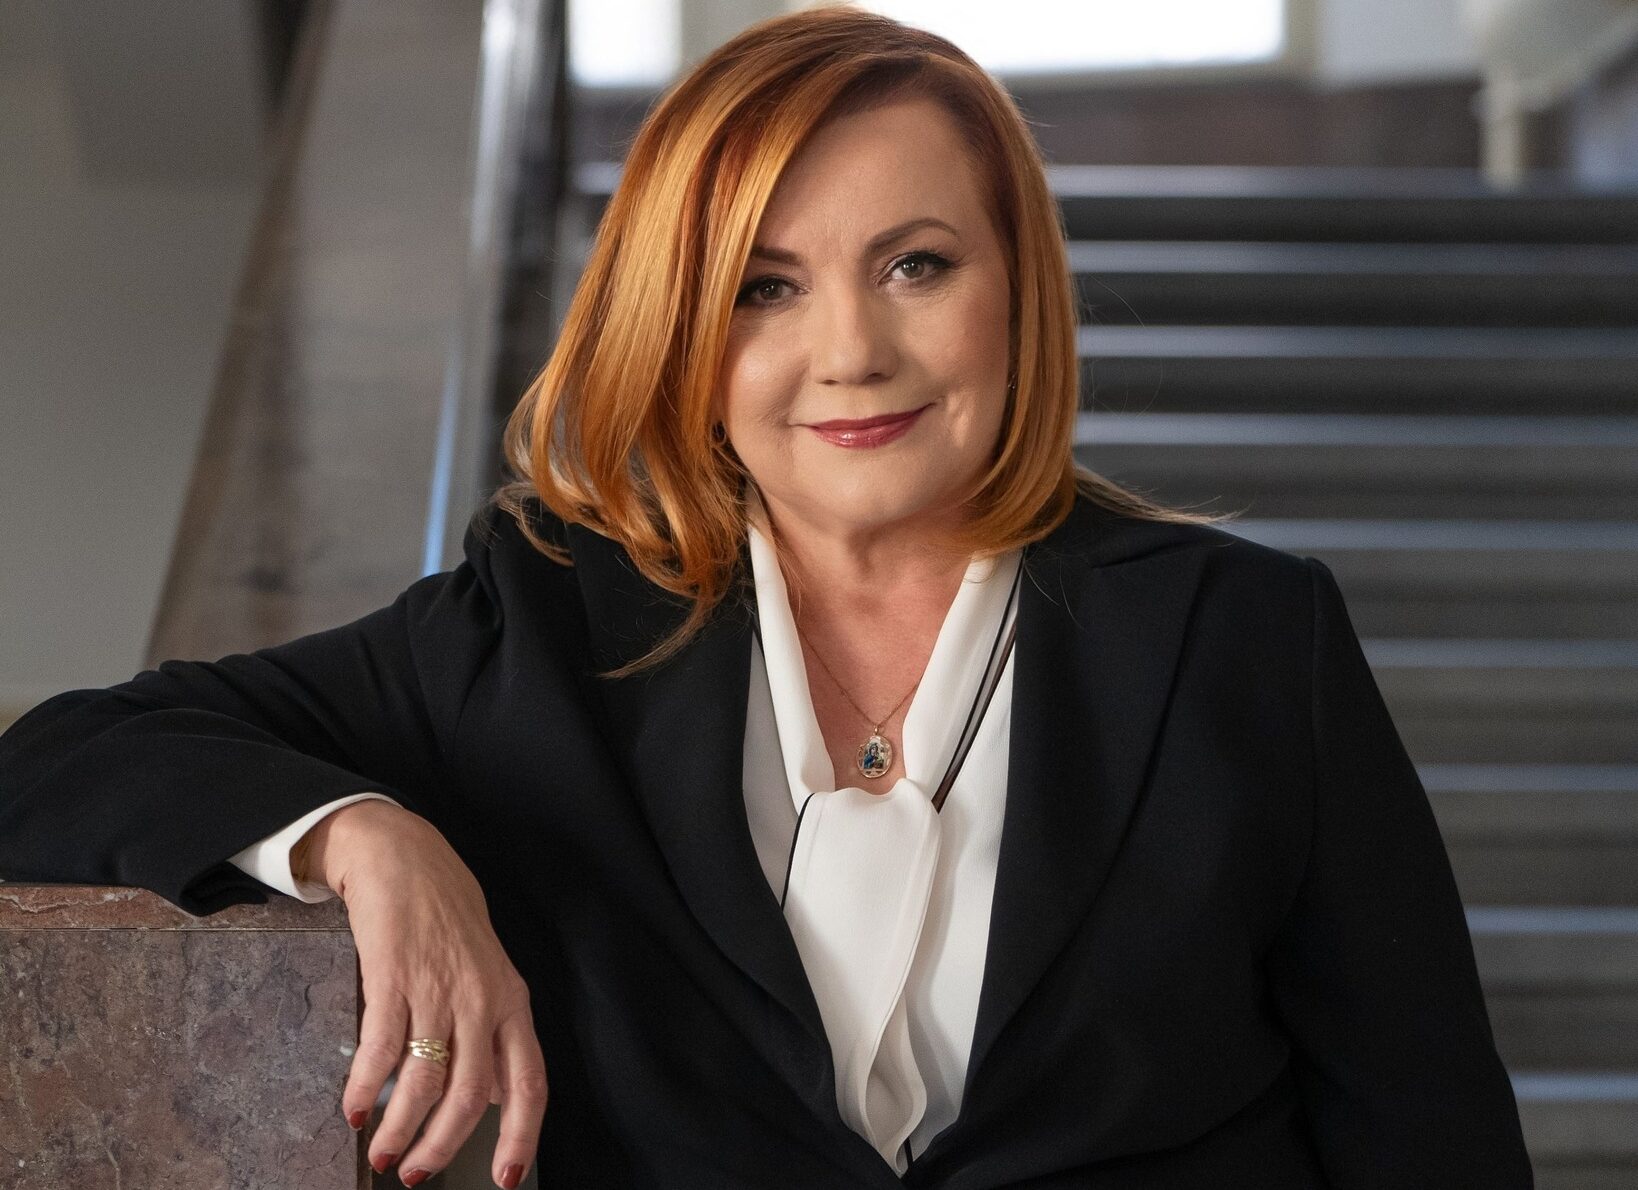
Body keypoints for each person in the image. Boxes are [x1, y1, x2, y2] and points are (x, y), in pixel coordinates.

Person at [0, 7, 1534, 1189]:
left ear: (1016, 286)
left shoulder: (1247, 642)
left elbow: (1433, 1138)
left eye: (916, 265)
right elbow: (55, 760)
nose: (850, 351)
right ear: (681, 326)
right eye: (765, 286)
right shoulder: (536, 631)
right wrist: (366, 833)